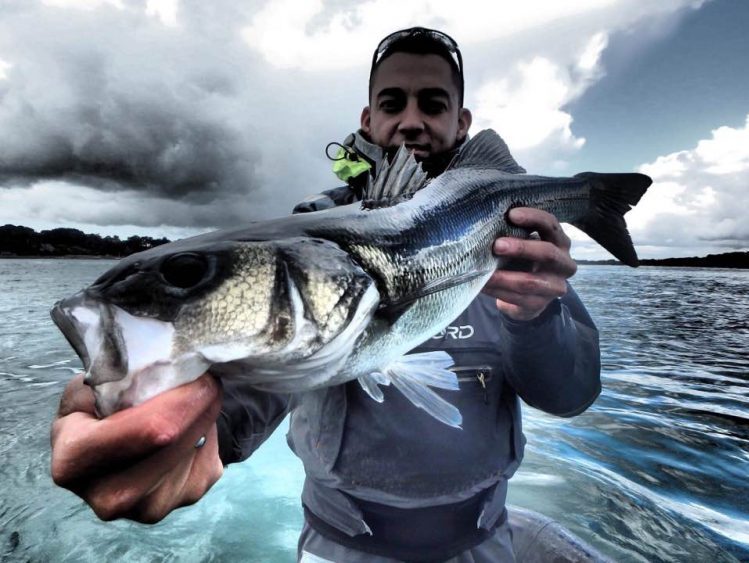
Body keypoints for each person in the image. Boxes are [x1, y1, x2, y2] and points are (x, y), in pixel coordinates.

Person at [50, 27, 601, 562]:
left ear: (463, 123)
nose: (411, 120)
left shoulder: (524, 243)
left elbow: (570, 394)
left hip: (483, 540)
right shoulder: (313, 226)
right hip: (341, 547)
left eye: (432, 104)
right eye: (393, 103)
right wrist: (184, 438)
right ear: (367, 118)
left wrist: (537, 313)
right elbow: (265, 376)